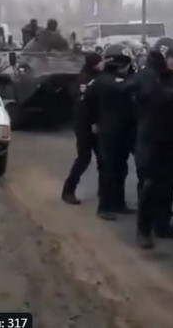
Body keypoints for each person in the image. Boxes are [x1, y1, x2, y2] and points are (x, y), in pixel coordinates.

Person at [134, 37, 173, 249]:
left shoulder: (172, 75)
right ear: (162, 55)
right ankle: (143, 230)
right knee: (151, 185)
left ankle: (164, 224)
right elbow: (156, 98)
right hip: (152, 138)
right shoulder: (147, 75)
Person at [86, 44, 137, 221]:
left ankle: (118, 202)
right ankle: (104, 206)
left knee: (121, 168)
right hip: (109, 129)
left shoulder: (123, 78)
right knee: (108, 168)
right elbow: (89, 102)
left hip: (124, 129)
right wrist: (94, 121)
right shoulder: (104, 81)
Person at [61, 52, 105, 205]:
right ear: (94, 63)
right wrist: (92, 122)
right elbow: (84, 104)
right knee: (84, 158)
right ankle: (68, 190)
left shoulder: (97, 76)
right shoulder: (85, 79)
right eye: (100, 61)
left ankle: (104, 192)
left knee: (103, 160)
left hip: (95, 124)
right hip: (85, 125)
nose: (103, 64)